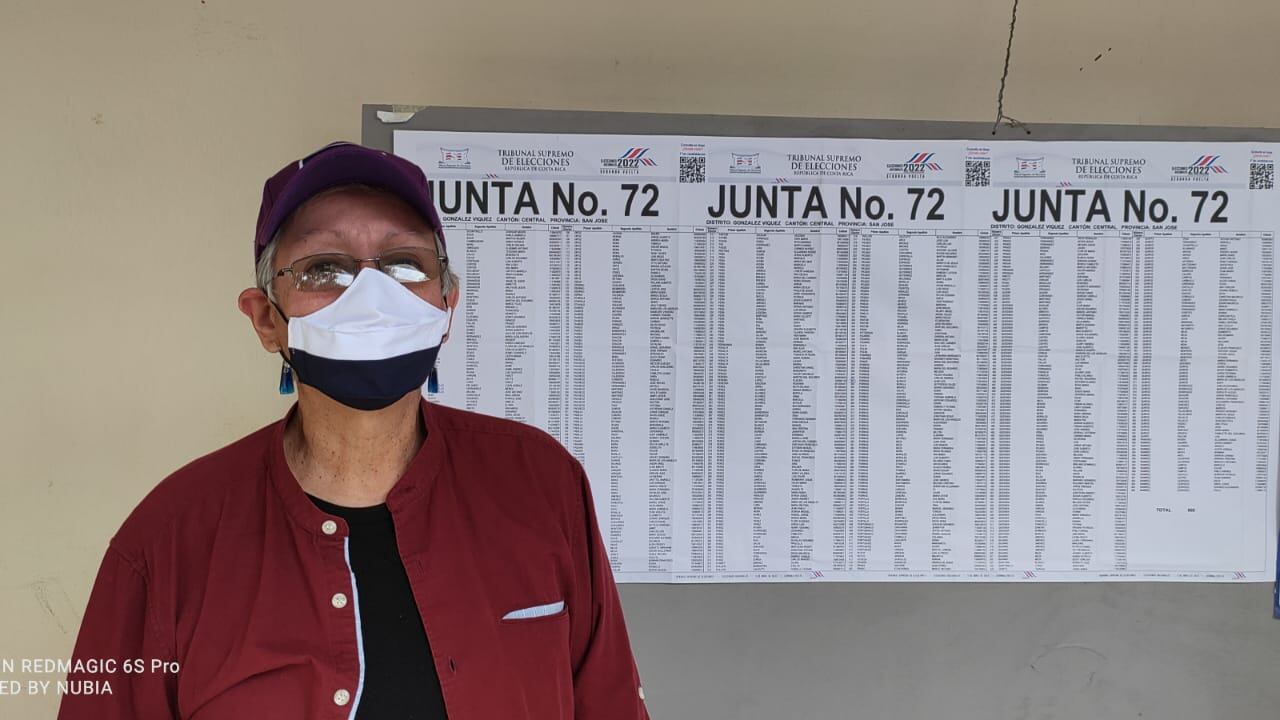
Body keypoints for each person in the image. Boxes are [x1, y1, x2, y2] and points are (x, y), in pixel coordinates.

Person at [57, 141, 651, 719]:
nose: (372, 295)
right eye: (323, 269)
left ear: (447, 306)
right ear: (266, 320)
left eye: (405, 265)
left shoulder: (540, 485)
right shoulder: (171, 538)